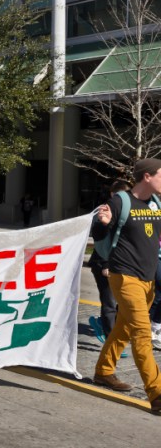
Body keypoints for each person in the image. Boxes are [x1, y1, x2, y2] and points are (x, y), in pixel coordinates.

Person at [92, 158, 161, 413]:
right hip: (124, 276)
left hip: (148, 279)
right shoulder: (120, 201)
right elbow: (99, 235)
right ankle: (157, 393)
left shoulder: (155, 203)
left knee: (123, 328)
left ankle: (103, 371)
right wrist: (102, 223)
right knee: (142, 334)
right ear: (147, 177)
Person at [89, 179, 130, 345]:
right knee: (110, 303)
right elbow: (101, 240)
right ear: (113, 195)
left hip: (123, 264)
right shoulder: (103, 212)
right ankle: (111, 340)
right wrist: (106, 264)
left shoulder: (128, 210)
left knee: (125, 303)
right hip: (103, 264)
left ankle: (106, 325)